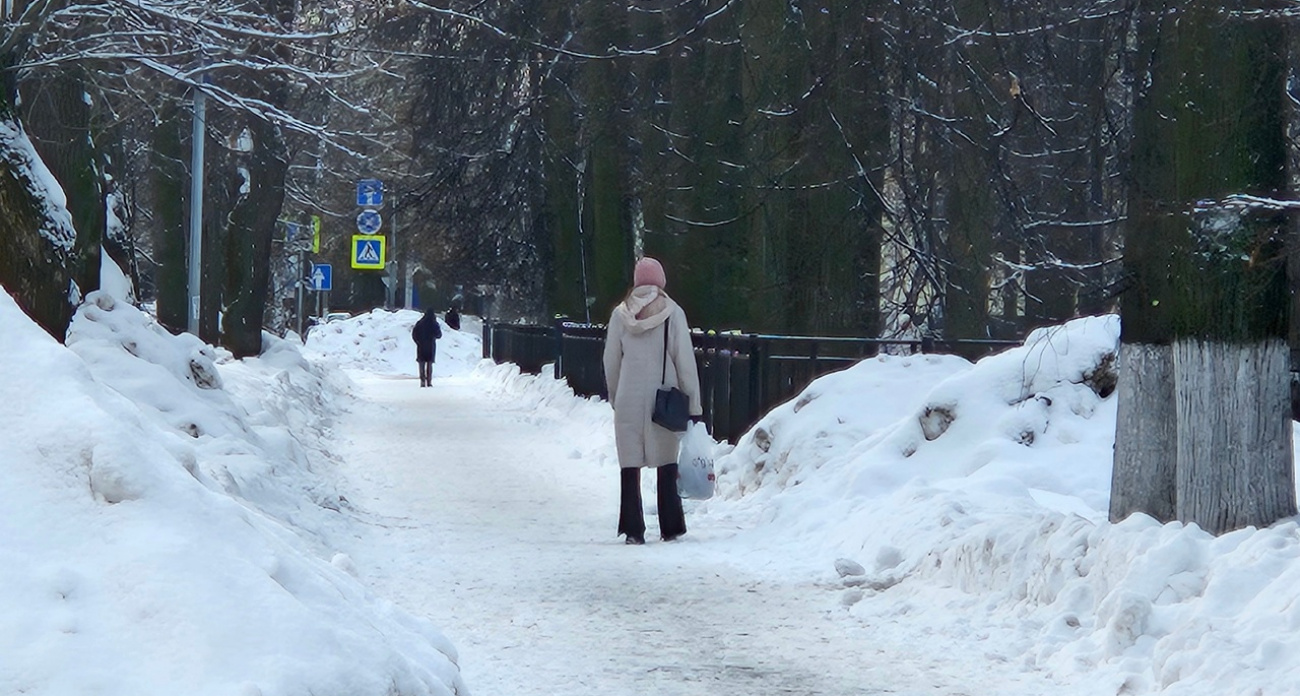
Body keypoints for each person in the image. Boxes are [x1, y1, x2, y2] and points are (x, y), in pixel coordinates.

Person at [602, 257, 702, 545]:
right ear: (661, 281)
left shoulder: (620, 316)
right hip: (665, 396)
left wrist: (615, 393)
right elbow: (684, 361)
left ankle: (633, 528)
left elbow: (611, 360)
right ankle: (671, 525)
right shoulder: (673, 313)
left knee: (629, 463)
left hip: (628, 396)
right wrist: (693, 403)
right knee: (666, 461)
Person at [411, 307, 442, 387]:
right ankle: (429, 381)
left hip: (421, 346)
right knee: (429, 364)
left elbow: (414, 334)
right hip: (430, 346)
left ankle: (422, 380)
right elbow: (439, 335)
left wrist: (417, 342)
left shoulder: (420, 323)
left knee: (421, 363)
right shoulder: (434, 323)